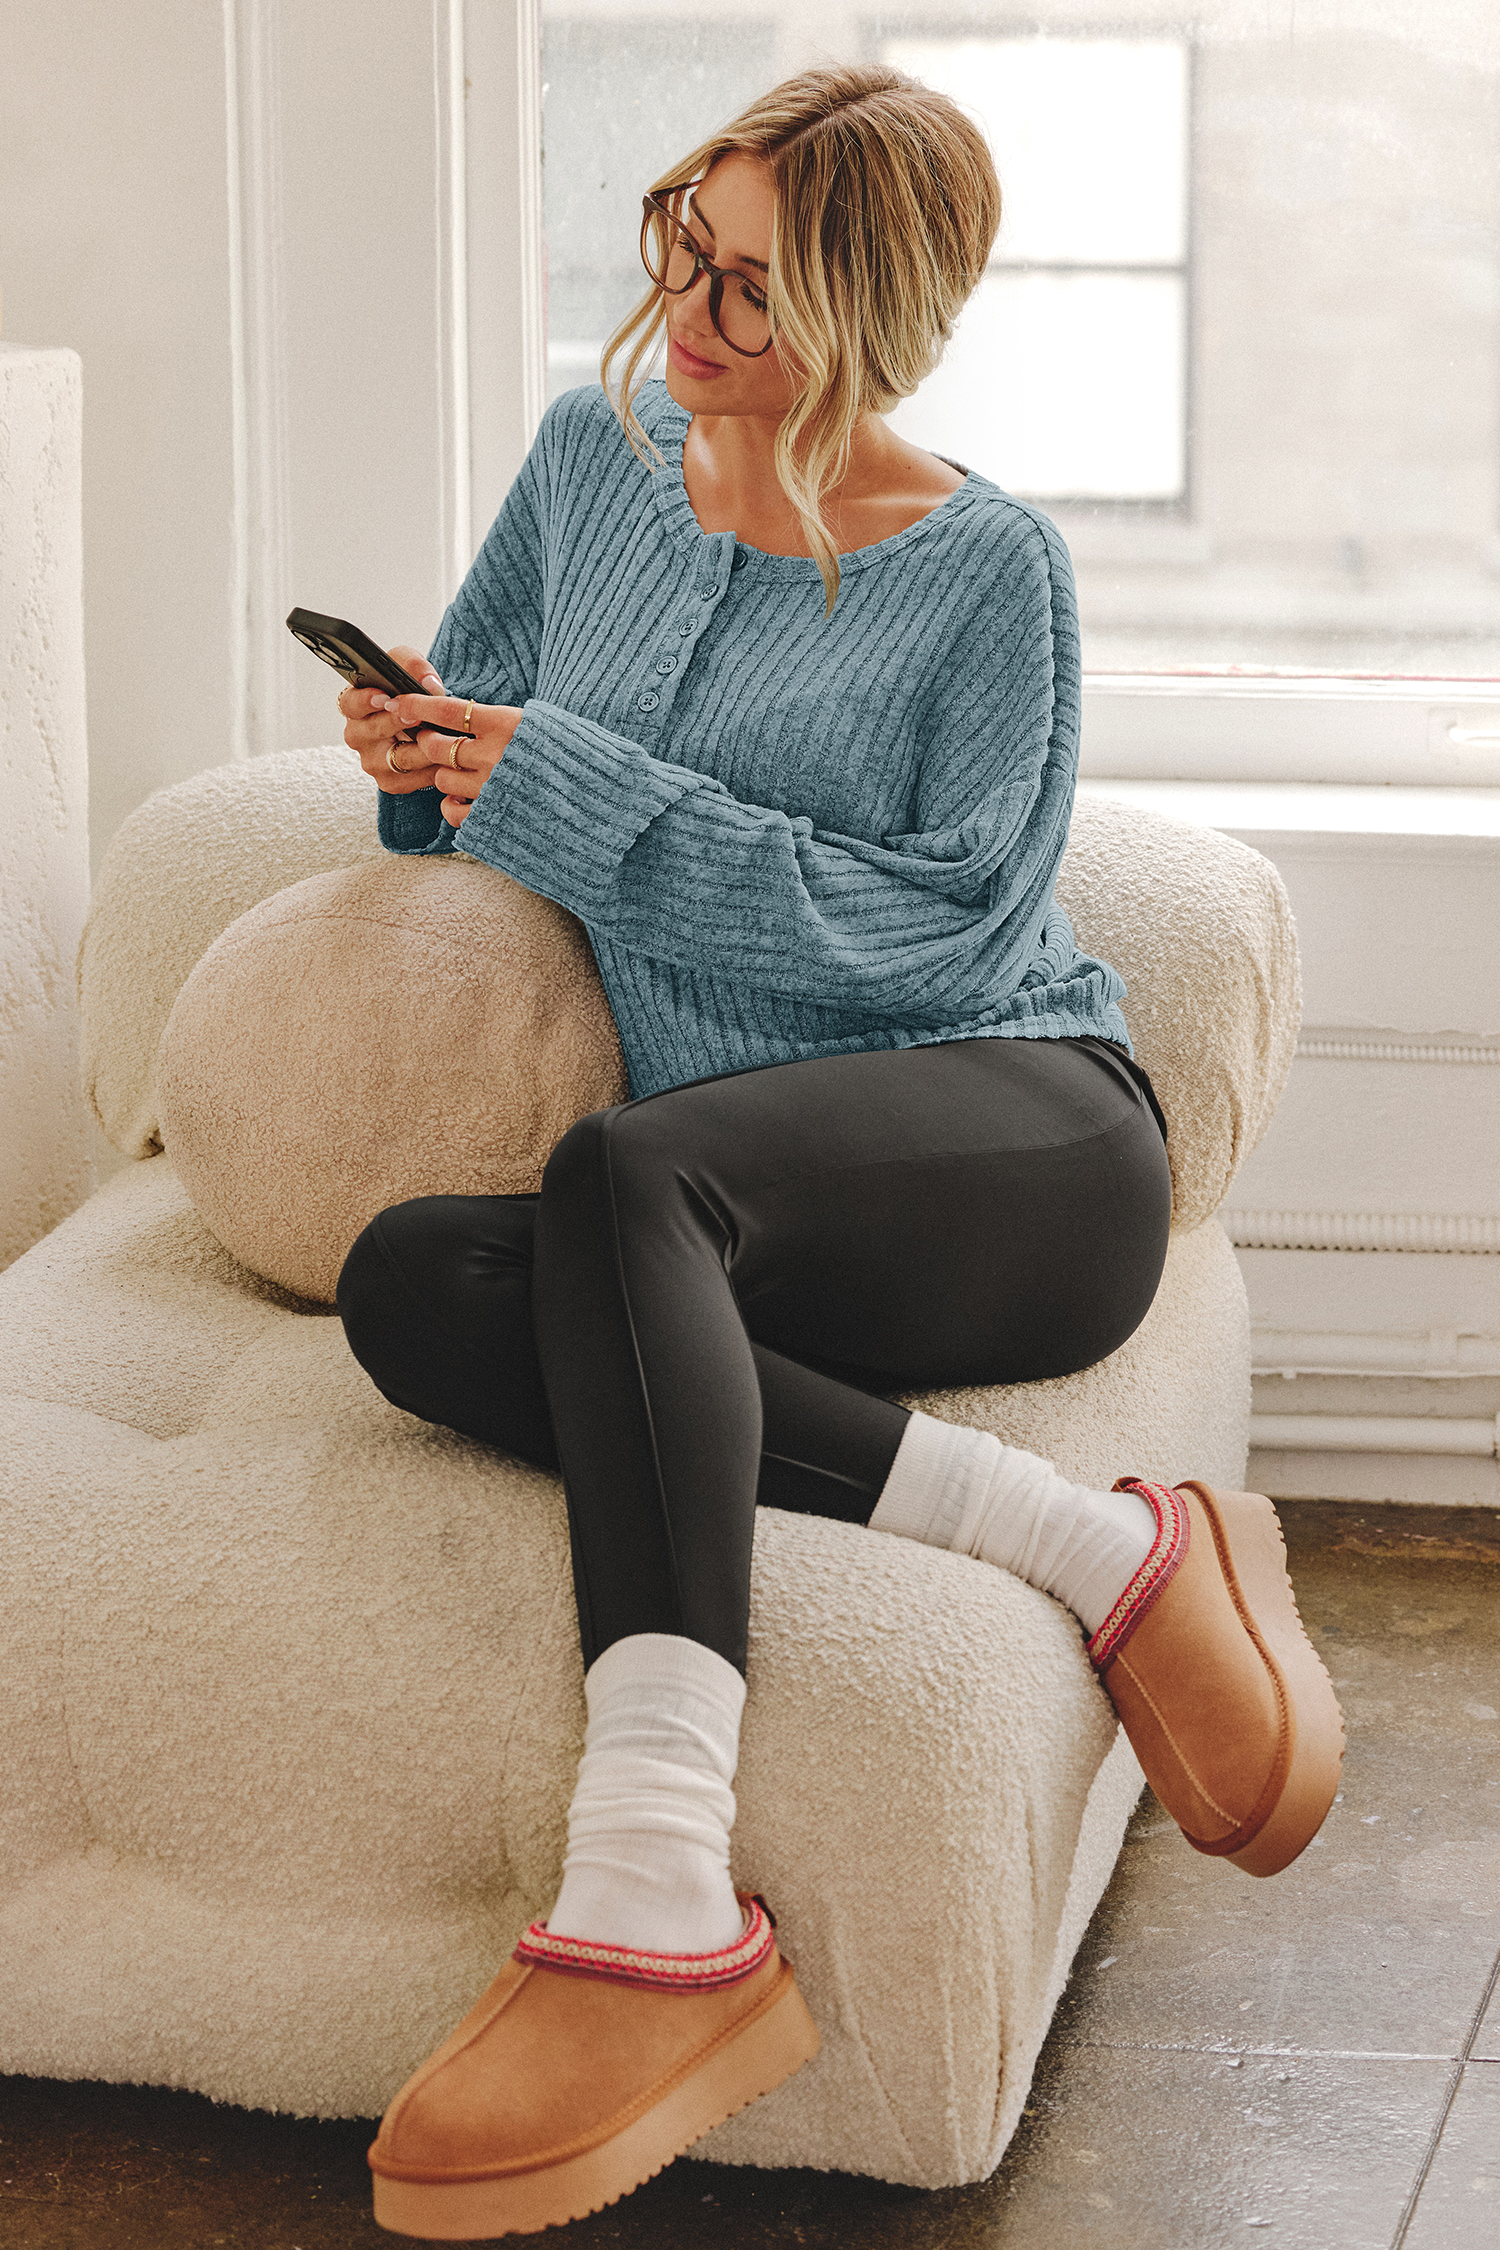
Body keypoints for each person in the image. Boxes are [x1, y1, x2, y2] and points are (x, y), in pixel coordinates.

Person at [334, 64, 1343, 2241]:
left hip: (1021, 1133)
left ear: (876, 318)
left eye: (754, 288)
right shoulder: (589, 465)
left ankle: (652, 1893)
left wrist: (571, 787)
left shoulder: (988, 574)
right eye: (685, 247)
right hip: (735, 1197)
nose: (689, 315)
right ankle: (1099, 1549)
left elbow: (944, 931)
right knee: (413, 1280)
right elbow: (480, 780)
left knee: (628, 1178)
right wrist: (424, 758)